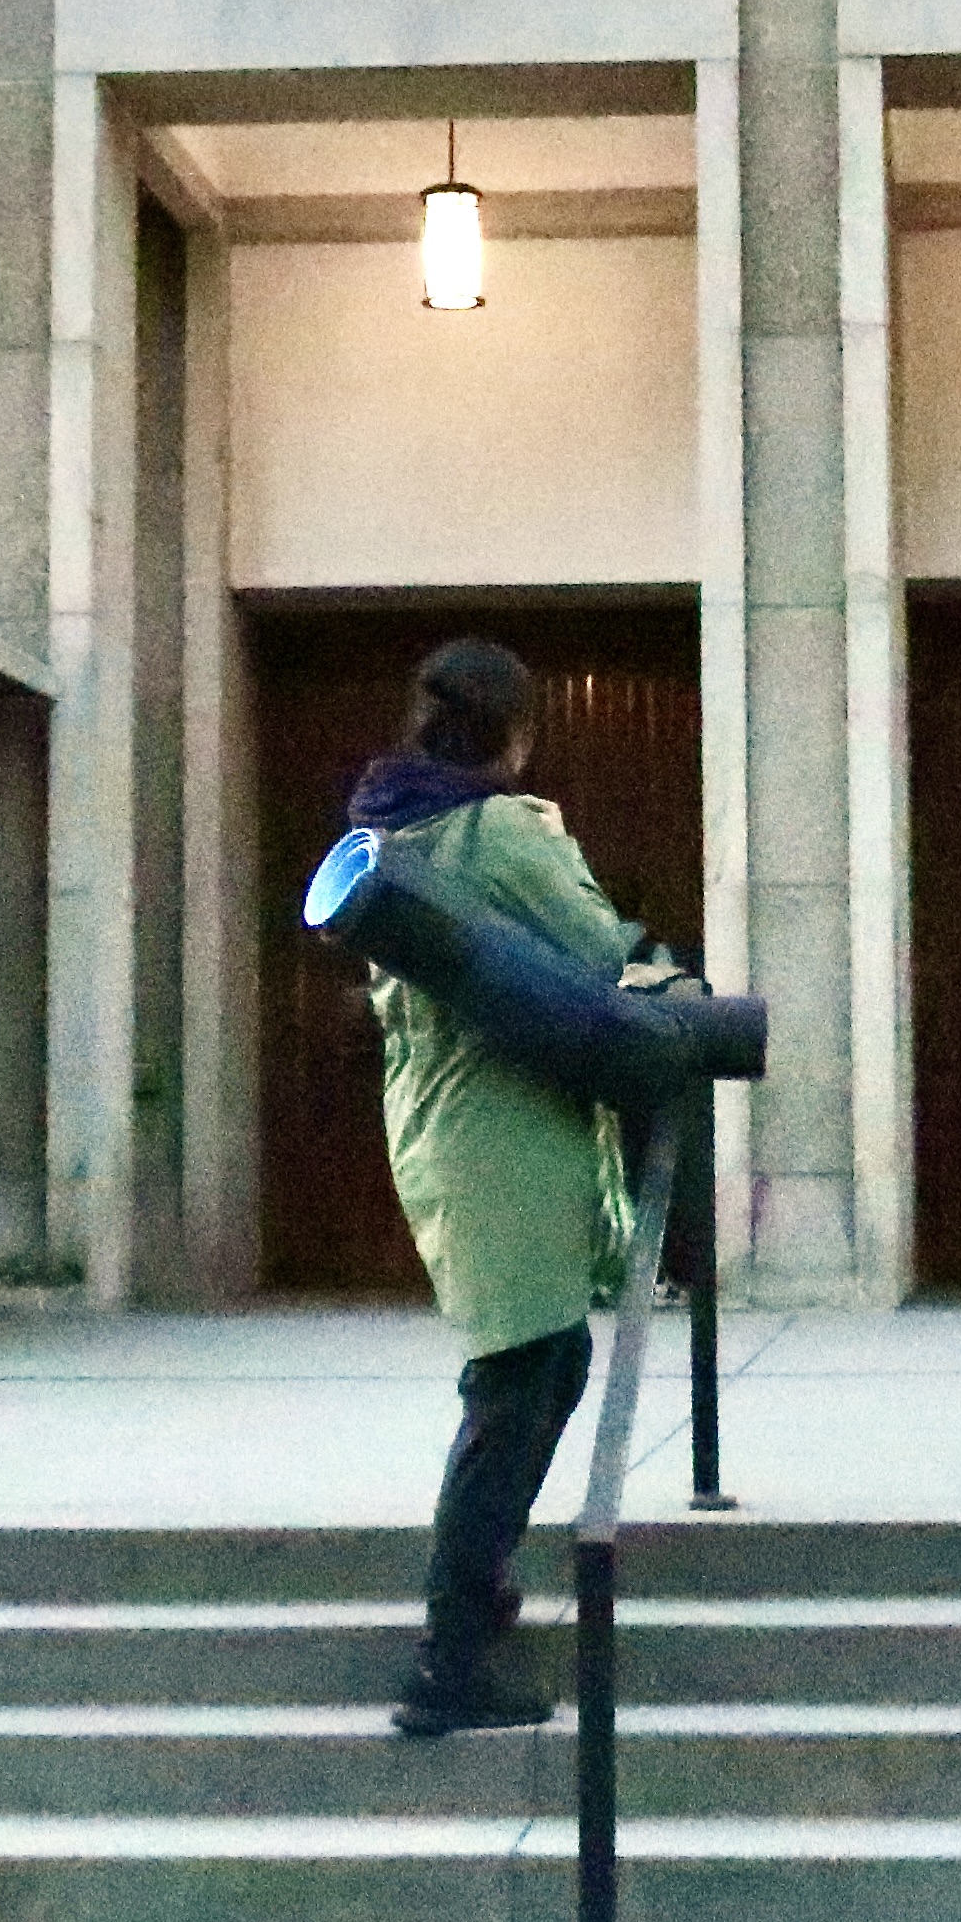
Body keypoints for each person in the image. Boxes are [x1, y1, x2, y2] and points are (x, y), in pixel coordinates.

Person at [348, 638, 640, 1738]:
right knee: (520, 1378)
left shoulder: (389, 827)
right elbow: (599, 943)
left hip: (433, 1116)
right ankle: (450, 1654)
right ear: (517, 730)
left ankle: (482, 1586)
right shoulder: (502, 830)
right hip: (505, 1124)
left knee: (538, 1361)